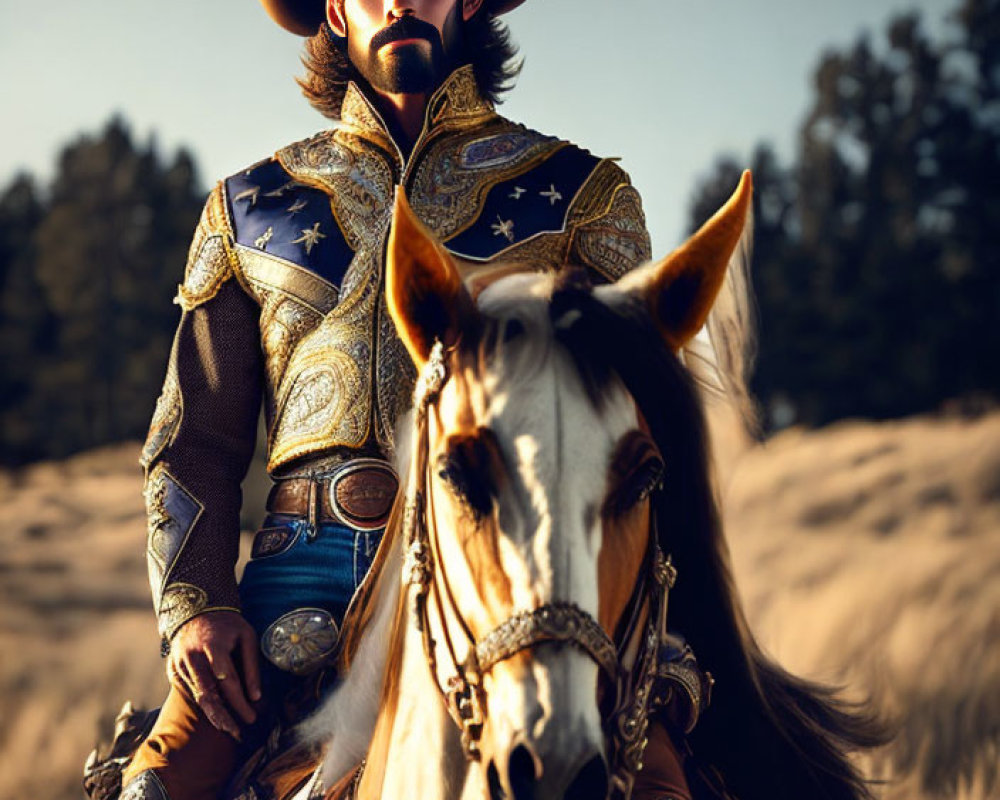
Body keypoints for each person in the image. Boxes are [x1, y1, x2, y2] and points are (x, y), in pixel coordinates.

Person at [103, 2, 709, 798]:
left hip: (525, 574)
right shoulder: (246, 210)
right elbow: (194, 444)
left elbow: (642, 433)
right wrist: (198, 608)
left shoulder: (579, 199)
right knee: (158, 786)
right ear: (332, 10)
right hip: (294, 597)